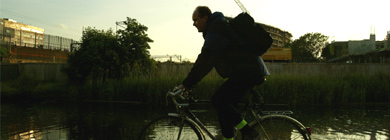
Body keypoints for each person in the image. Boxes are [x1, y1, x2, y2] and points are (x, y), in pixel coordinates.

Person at [176, 6, 270, 140]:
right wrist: (192, 83)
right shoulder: (216, 29)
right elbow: (208, 62)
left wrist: (186, 83)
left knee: (218, 100)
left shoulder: (216, 30)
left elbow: (205, 60)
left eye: (196, 20)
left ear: (205, 18)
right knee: (224, 109)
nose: (194, 24)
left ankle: (249, 132)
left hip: (248, 72)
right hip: (247, 71)